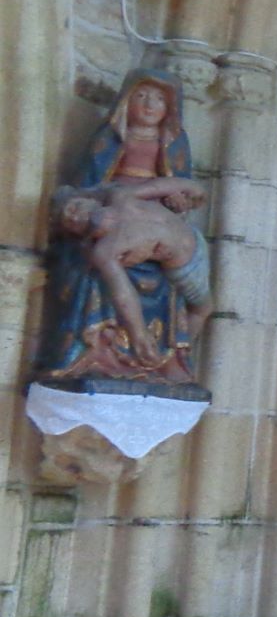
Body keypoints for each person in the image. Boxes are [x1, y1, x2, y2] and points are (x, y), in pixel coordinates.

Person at [37, 70, 214, 390]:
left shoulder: (172, 144)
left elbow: (169, 186)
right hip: (141, 236)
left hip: (160, 224)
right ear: (126, 100)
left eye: (159, 98)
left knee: (180, 291)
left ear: (170, 108)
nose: (149, 105)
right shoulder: (109, 138)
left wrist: (181, 196)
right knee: (91, 269)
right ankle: (92, 354)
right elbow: (87, 185)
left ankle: (170, 360)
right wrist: (84, 205)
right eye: (142, 96)